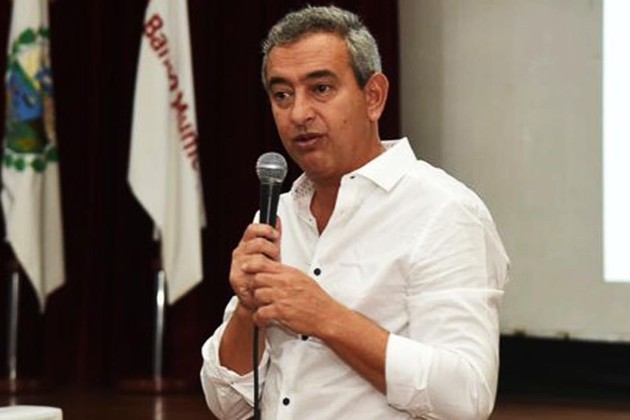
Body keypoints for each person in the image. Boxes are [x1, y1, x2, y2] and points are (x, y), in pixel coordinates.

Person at [200, 5, 510, 419]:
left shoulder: (445, 212)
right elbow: (227, 404)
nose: (299, 113)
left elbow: (466, 396)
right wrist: (247, 309)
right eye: (282, 95)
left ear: (373, 96)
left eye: (321, 89)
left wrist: (326, 318)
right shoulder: (276, 217)